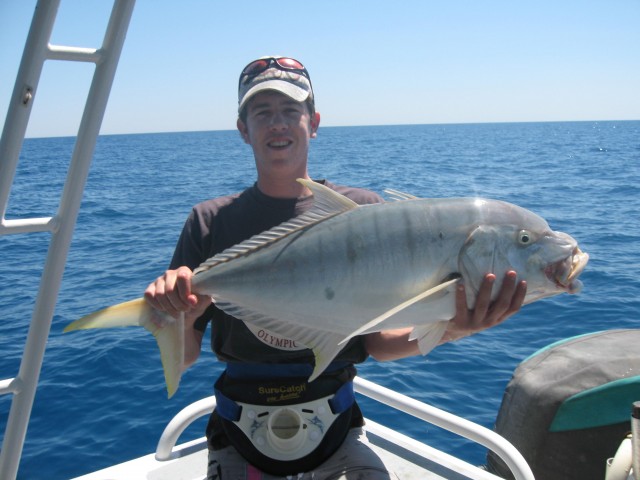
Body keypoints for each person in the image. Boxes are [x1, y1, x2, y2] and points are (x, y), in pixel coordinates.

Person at [144, 56, 527, 479]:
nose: (278, 124)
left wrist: (454, 327)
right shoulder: (210, 221)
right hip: (238, 434)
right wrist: (185, 315)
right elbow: (183, 359)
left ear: (314, 122)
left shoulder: (367, 214)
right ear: (242, 129)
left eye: (291, 111)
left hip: (338, 431)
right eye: (262, 113)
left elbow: (379, 343)